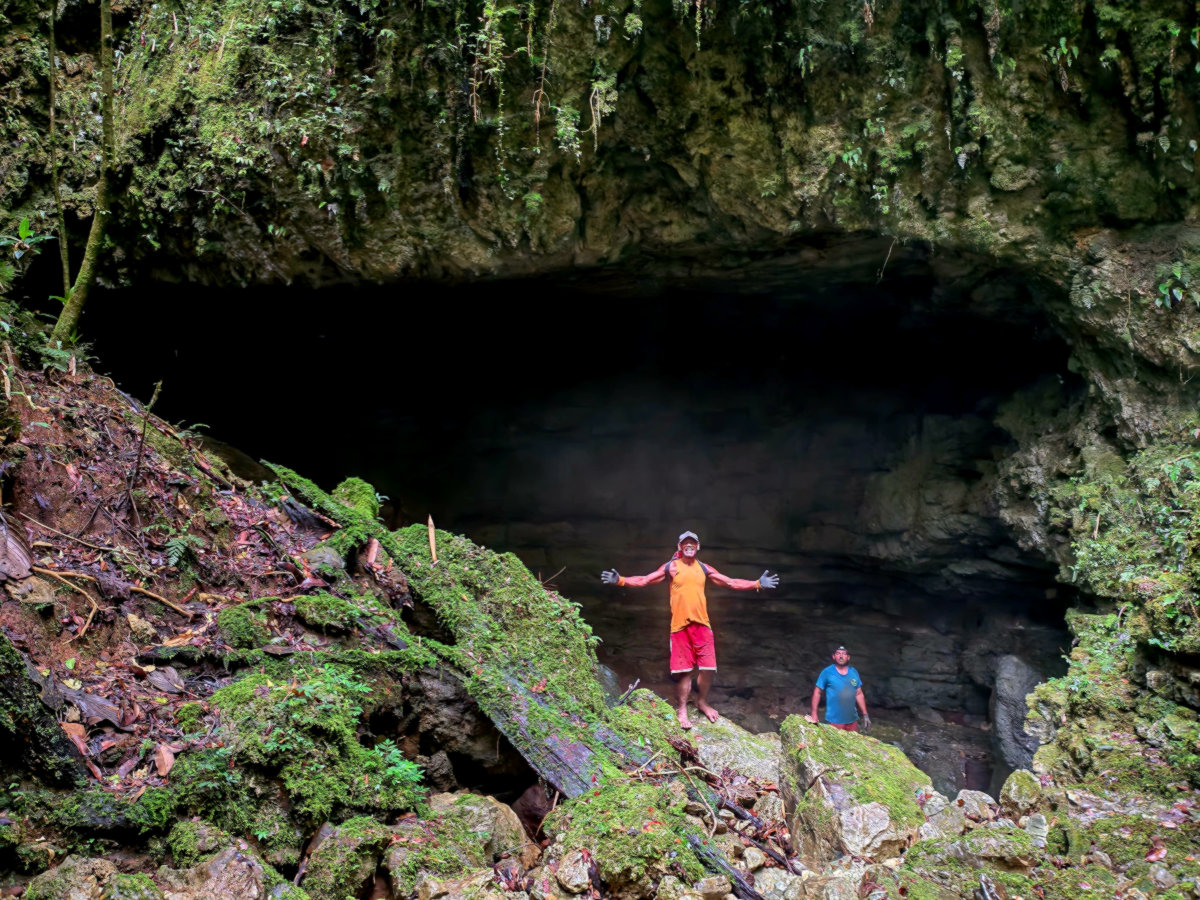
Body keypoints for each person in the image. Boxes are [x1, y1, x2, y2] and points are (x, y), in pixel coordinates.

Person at [600, 530, 779, 729]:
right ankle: (682, 709)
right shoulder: (671, 567)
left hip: (702, 625)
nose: (689, 545)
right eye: (685, 542)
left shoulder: (704, 568)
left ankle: (701, 701)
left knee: (708, 669)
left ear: (698, 546)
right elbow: (645, 580)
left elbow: (730, 582)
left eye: (692, 542)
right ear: (679, 546)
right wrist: (621, 580)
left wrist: (756, 583)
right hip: (680, 627)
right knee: (684, 672)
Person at [809, 646, 870, 732]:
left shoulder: (853, 672)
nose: (841, 656)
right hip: (834, 721)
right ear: (833, 656)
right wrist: (814, 714)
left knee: (853, 740)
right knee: (835, 740)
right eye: (838, 653)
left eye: (844, 654)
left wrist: (865, 715)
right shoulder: (827, 672)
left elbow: (859, 693)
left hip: (852, 720)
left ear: (848, 657)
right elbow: (817, 692)